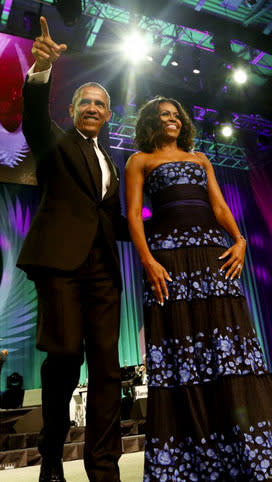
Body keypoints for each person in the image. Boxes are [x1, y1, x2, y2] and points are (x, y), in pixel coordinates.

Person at [125, 96, 272, 480]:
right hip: (169, 260)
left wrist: (238, 240)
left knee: (230, 349)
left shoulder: (201, 159)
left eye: (175, 115)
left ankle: (250, 455)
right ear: (151, 123)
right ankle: (196, 460)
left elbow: (220, 208)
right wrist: (147, 259)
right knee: (182, 348)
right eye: (162, 115)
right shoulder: (139, 160)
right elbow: (134, 216)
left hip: (212, 256)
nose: (171, 119)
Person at [17, 16, 128, 482]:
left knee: (107, 370)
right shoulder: (56, 145)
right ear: (72, 111)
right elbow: (33, 120)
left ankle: (103, 468)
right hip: (60, 267)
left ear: (107, 114)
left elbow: (113, 220)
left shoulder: (113, 161)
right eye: (84, 101)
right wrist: (40, 71)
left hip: (103, 271)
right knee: (64, 361)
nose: (91, 107)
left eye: (99, 103)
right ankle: (49, 460)